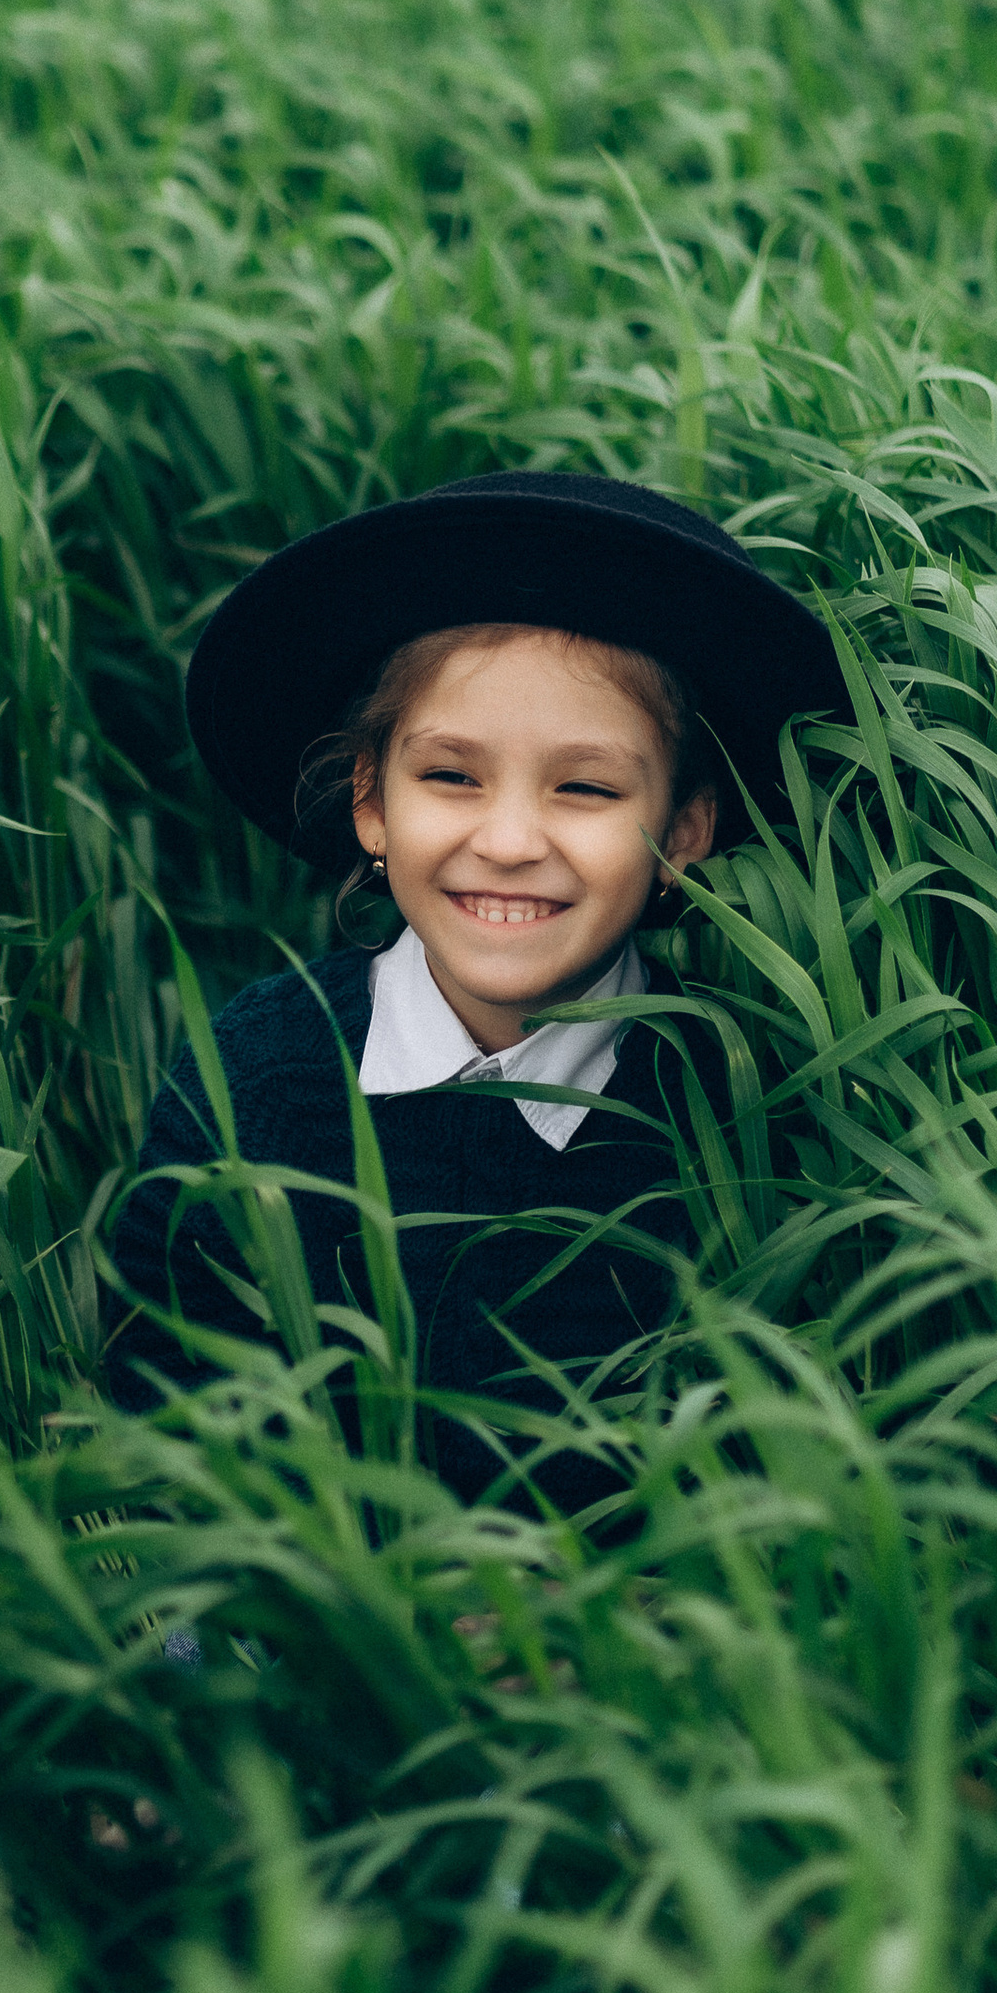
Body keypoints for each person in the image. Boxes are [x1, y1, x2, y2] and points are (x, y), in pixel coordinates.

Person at [104, 468, 845, 1481]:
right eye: (450, 776)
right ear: (370, 800)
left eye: (583, 788)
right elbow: (163, 1452)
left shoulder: (740, 1110)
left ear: (682, 830)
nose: (505, 841)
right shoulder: (251, 1089)